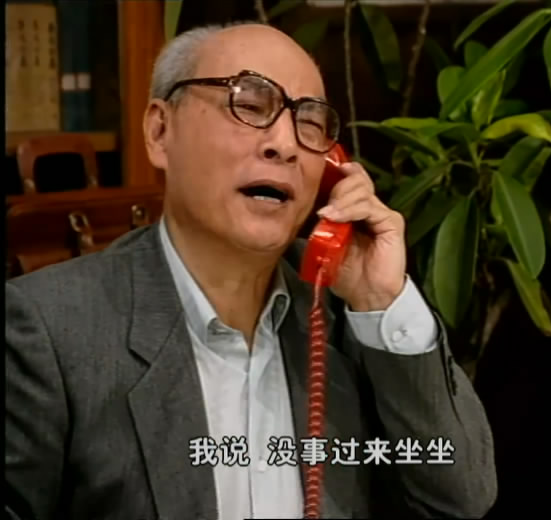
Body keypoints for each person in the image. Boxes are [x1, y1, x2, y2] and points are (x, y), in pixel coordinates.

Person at [5, 22, 497, 520]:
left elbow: (459, 501)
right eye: (250, 105)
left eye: (310, 122)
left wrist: (379, 301)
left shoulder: (348, 315)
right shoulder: (48, 331)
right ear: (160, 132)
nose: (284, 143)